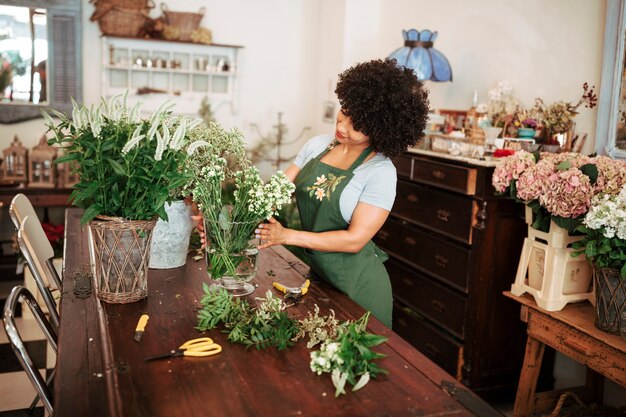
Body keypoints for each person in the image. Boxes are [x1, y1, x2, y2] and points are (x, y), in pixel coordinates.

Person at [255, 58, 430, 328]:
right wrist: (230, 221)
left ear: (381, 129)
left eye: (357, 125)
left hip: (358, 287)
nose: (342, 126)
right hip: (319, 276)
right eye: (344, 111)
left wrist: (287, 235)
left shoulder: (380, 172)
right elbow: (273, 193)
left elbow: (354, 240)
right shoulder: (318, 145)